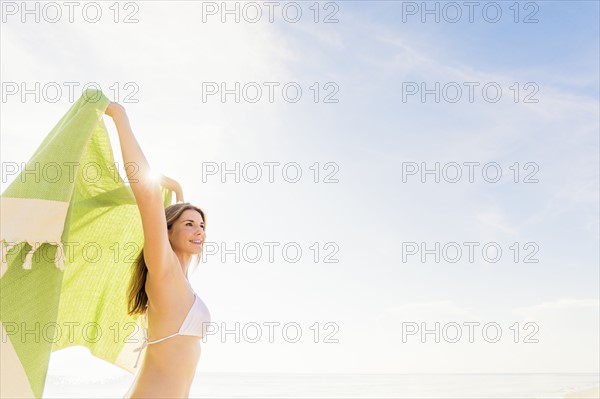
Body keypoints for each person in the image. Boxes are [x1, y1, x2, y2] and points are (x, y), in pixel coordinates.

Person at [104, 102, 211, 398]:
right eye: (190, 224)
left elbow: (174, 215)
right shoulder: (162, 270)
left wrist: (177, 189)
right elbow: (148, 195)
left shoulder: (180, 278)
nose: (199, 230)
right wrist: (119, 116)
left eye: (202, 225)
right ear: (167, 231)